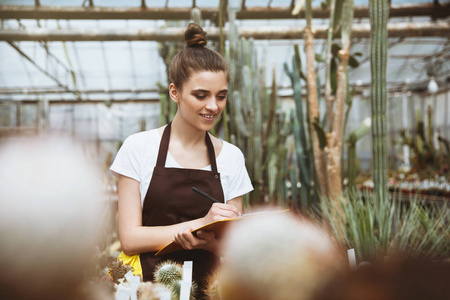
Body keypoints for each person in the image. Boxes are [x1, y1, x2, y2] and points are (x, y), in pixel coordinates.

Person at [110, 23, 253, 296]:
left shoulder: (232, 157)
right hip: (148, 291)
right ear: (174, 92)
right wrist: (199, 224)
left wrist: (211, 241)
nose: (213, 106)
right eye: (201, 95)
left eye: (220, 96)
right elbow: (129, 239)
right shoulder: (138, 148)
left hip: (210, 291)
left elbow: (233, 244)